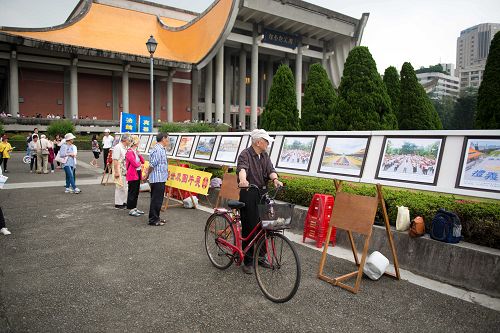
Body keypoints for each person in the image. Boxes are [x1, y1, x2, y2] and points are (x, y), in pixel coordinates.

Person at [236, 129, 283, 274]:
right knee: (250, 226)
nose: (268, 144)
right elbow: (242, 169)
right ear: (258, 142)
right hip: (249, 193)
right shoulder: (245, 154)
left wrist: (275, 179)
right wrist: (243, 180)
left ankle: (261, 256)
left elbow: (270, 169)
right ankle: (248, 261)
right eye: (266, 141)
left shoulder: (264, 155)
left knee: (266, 225)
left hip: (263, 193)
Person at [146, 132, 170, 226]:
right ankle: (153, 220)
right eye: (167, 138)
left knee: (158, 199)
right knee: (156, 200)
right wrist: (147, 175)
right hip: (157, 178)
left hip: (160, 178)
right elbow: (152, 164)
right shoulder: (158, 150)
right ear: (163, 139)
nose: (168, 140)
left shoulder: (161, 149)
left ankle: (157, 217)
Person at [125, 135, 145, 217]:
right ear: (135, 142)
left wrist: (139, 154)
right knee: (132, 192)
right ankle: (131, 209)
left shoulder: (135, 151)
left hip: (137, 173)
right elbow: (135, 164)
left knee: (136, 191)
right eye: (138, 141)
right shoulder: (129, 152)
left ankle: (134, 208)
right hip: (132, 174)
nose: (139, 143)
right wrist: (139, 162)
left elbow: (143, 161)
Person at [112, 134, 131, 209]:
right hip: (119, 169)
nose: (130, 141)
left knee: (124, 186)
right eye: (129, 140)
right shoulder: (118, 147)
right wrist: (116, 172)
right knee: (119, 186)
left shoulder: (125, 147)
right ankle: (118, 203)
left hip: (124, 169)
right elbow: (115, 160)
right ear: (125, 140)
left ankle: (123, 201)